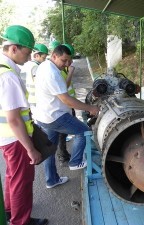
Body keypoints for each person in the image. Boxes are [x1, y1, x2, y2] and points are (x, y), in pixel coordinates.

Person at [0, 25, 48, 225]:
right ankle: (21, 221)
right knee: (22, 181)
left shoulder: (3, 69)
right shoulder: (8, 76)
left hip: (7, 138)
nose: (29, 58)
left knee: (12, 176)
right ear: (13, 49)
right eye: (27, 53)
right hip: (16, 138)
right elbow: (13, 118)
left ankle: (10, 211)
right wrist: (30, 149)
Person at [34, 45, 99, 188]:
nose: (66, 64)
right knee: (84, 131)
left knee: (49, 150)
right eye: (64, 60)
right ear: (54, 56)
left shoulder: (45, 66)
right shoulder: (52, 72)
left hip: (45, 116)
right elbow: (66, 99)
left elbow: (62, 87)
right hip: (56, 116)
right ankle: (75, 162)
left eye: (68, 61)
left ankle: (51, 180)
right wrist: (90, 108)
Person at [56, 43, 77, 164]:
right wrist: (70, 73)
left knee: (63, 134)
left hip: (69, 105)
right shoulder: (58, 71)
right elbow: (65, 87)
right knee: (65, 133)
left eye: (70, 59)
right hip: (65, 106)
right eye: (66, 60)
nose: (69, 62)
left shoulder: (62, 69)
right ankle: (64, 156)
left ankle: (63, 154)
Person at [25, 43, 49, 118]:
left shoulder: (28, 64)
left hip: (31, 99)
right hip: (37, 99)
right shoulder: (36, 67)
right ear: (36, 56)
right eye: (43, 58)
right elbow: (40, 84)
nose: (44, 60)